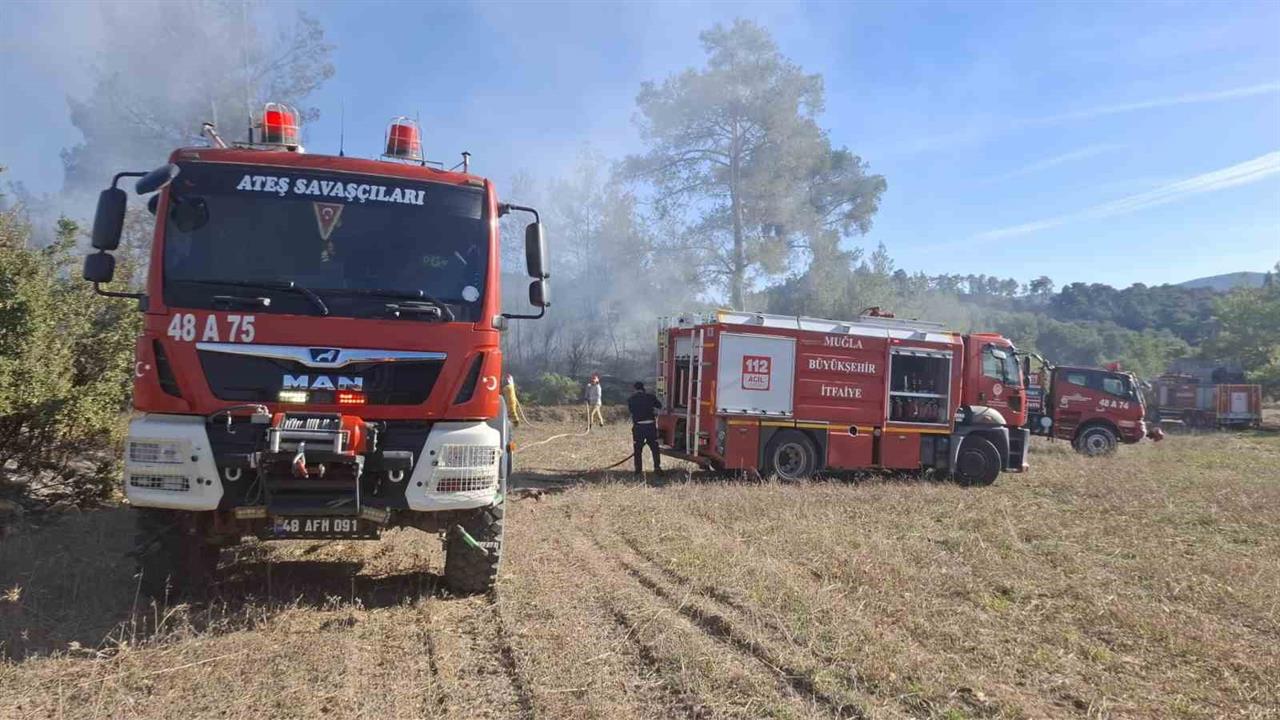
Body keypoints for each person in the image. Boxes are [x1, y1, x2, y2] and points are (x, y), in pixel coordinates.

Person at [627, 381, 662, 476]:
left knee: (638, 450)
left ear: (634, 389)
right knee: (655, 448)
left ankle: (638, 470)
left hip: (638, 427)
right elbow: (659, 406)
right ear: (643, 388)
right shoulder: (651, 397)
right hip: (650, 426)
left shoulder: (631, 399)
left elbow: (631, 411)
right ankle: (657, 467)